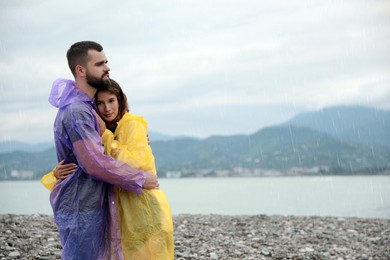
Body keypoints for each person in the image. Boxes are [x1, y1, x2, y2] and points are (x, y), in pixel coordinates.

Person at [47, 41, 158, 259]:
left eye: (106, 62)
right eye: (100, 64)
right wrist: (140, 179)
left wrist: (134, 138)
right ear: (80, 70)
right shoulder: (77, 111)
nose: (107, 67)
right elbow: (93, 163)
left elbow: (100, 148)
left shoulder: (89, 105)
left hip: (94, 201)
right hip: (83, 204)